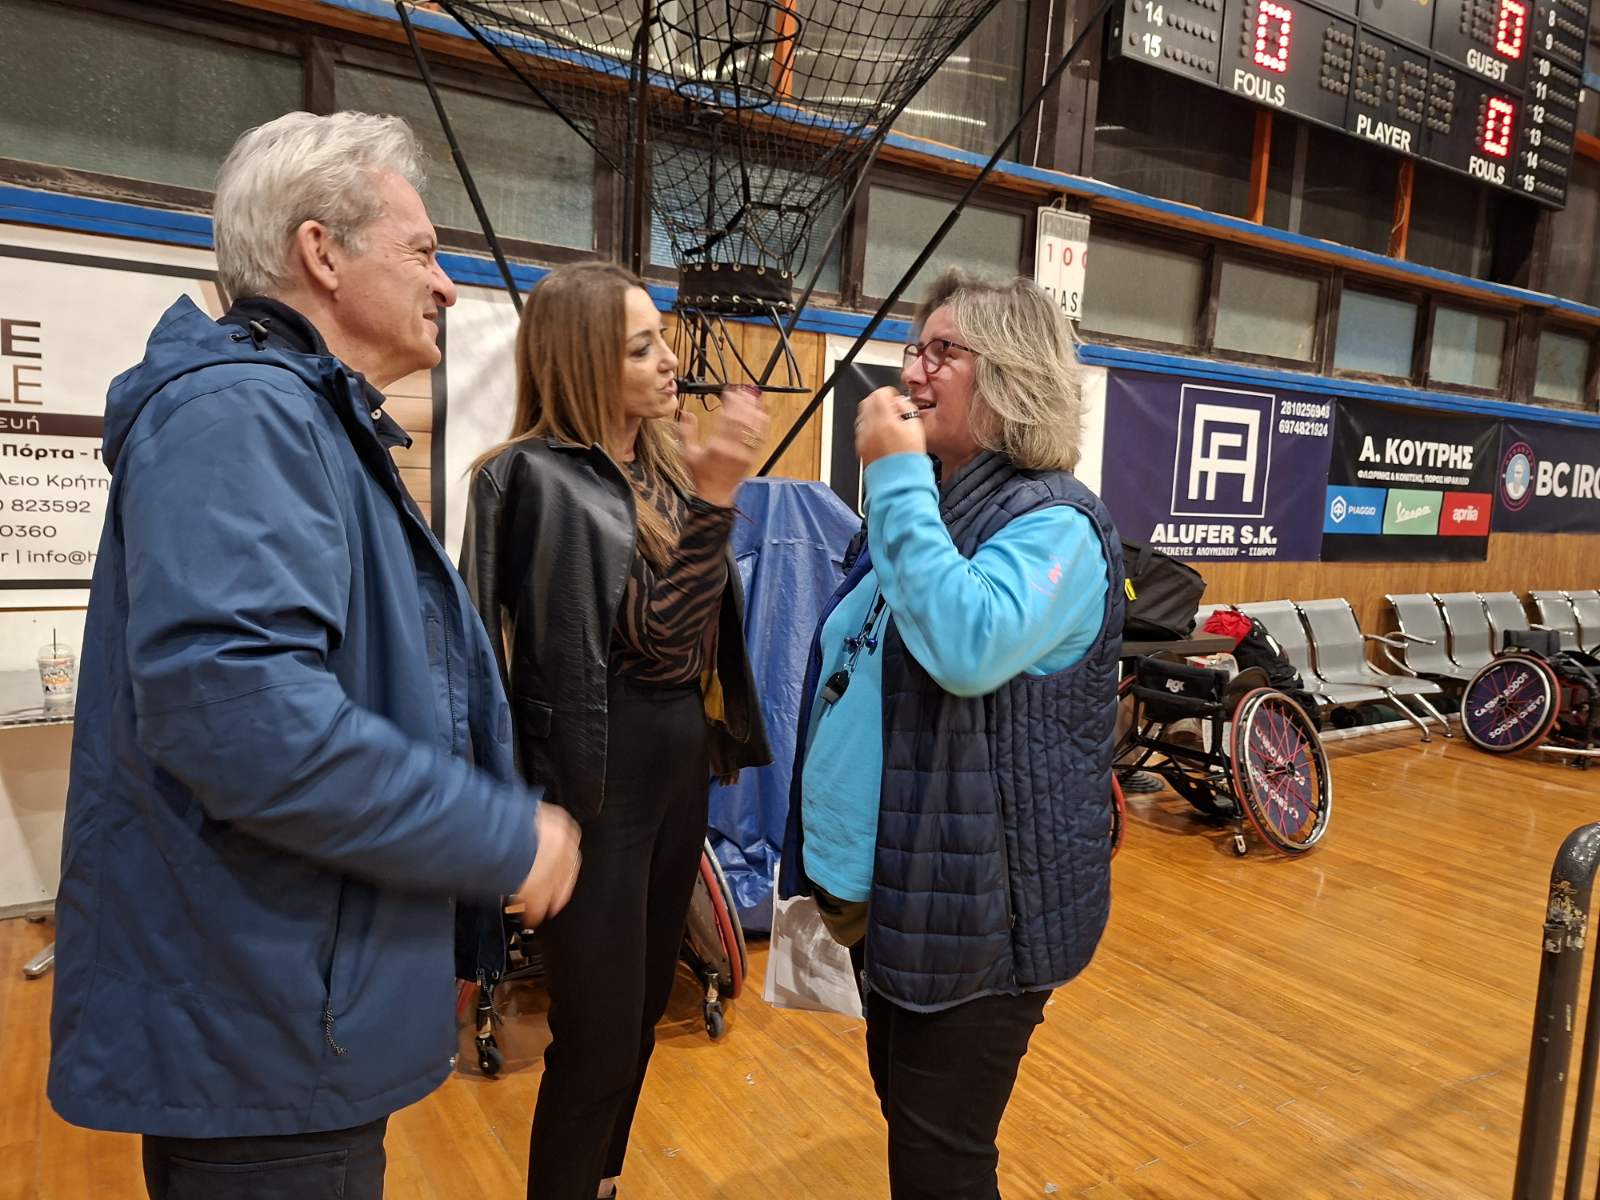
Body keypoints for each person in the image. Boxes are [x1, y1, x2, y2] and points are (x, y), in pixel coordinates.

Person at [46, 111, 581, 1200]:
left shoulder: (295, 418)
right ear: (321, 253)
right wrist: (497, 833)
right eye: (423, 252)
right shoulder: (245, 416)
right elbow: (244, 720)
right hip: (265, 1028)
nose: (448, 287)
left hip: (282, 1009)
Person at [779, 268, 1126, 1199]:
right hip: (902, 895)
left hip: (982, 918)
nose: (914, 371)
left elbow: (966, 645)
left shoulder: (1057, 523)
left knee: (939, 1162)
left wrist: (893, 476)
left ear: (1011, 374)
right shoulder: (933, 504)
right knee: (910, 1121)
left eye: (943, 352)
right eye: (914, 348)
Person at [462, 261, 773, 1200]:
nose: (671, 359)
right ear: (584, 361)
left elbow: (697, 647)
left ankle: (601, 1182)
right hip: (590, 783)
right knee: (595, 1038)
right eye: (642, 347)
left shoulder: (663, 466)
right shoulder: (528, 477)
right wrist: (717, 494)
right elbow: (654, 636)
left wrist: (702, 488)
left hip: (674, 764)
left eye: (662, 337)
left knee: (637, 1020)